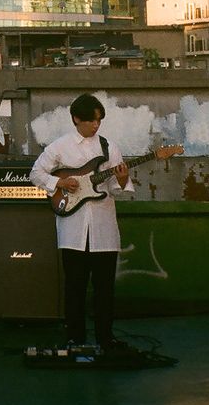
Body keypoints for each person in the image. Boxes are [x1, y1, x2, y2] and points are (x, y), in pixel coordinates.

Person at [29, 93, 133, 351]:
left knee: (104, 289)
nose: (96, 125)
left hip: (104, 228)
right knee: (74, 287)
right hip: (73, 229)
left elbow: (117, 187)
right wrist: (59, 182)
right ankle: (75, 336)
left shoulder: (109, 147)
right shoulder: (60, 146)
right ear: (77, 119)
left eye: (99, 120)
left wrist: (121, 179)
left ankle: (105, 338)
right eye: (91, 120)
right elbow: (35, 173)